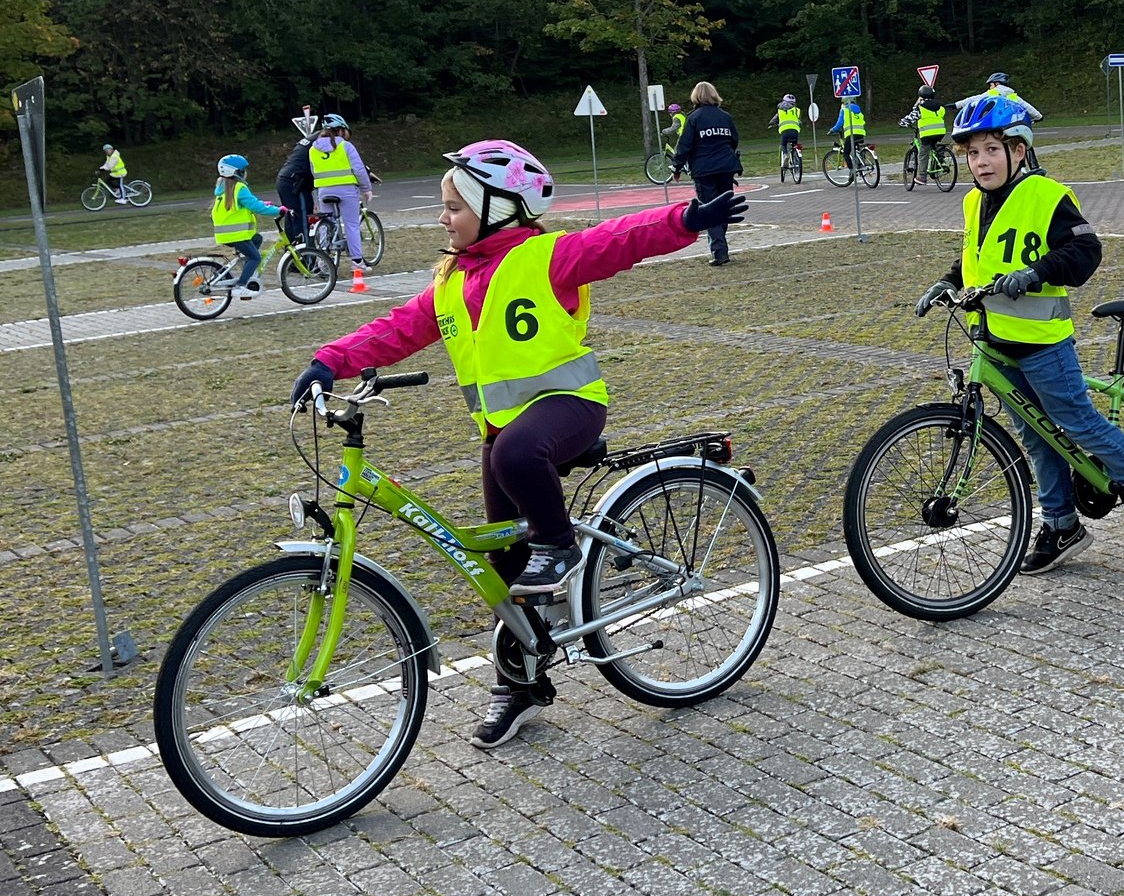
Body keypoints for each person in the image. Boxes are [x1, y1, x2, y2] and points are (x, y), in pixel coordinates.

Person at [288, 139, 748, 748]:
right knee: (502, 568)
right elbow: (397, 328)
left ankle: (559, 546)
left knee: (517, 467)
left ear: (499, 206)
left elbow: (620, 239)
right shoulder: (451, 283)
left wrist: (686, 218)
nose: (442, 217)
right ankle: (521, 682)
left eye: (454, 205)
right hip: (503, 434)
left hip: (569, 409)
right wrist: (329, 361)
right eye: (443, 205)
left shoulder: (545, 257)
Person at [913, 95, 1124, 574]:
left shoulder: (1047, 195)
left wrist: (1034, 274)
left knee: (1076, 422)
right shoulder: (974, 202)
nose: (981, 162)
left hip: (1041, 342)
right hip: (994, 340)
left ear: (1018, 150)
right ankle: (1061, 526)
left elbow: (1085, 251)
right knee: (1036, 437)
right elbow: (979, 257)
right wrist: (949, 282)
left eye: (991, 149)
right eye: (972, 154)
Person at [668, 82, 743, 266]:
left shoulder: (694, 118)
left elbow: (684, 146)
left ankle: (719, 252)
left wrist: (677, 168)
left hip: (704, 169)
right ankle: (721, 246)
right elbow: (734, 140)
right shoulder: (725, 116)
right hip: (726, 166)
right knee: (723, 206)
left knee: (709, 208)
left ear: (696, 97)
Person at [310, 115, 375, 281]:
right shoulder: (346, 146)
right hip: (347, 190)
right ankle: (357, 262)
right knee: (352, 224)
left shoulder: (313, 148)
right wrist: (366, 188)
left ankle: (323, 260)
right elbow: (359, 169)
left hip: (324, 191)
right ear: (340, 130)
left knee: (326, 224)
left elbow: (313, 171)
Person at [211, 155, 285, 299]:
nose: (245, 173)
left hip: (226, 234)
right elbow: (256, 207)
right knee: (255, 258)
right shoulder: (239, 188)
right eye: (243, 170)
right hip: (237, 235)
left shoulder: (224, 188)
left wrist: (264, 203)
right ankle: (240, 286)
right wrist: (278, 210)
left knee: (257, 239)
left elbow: (248, 203)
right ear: (236, 172)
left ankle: (243, 270)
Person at [898, 86, 947, 182]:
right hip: (941, 131)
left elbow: (911, 117)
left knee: (923, 154)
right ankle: (941, 161)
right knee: (934, 147)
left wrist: (902, 122)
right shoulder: (940, 107)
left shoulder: (921, 107)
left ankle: (922, 177)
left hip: (927, 133)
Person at [276, 125, 315, 243]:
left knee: (291, 217)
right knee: (302, 219)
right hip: (296, 182)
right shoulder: (325, 142)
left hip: (284, 179)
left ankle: (291, 255)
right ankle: (304, 257)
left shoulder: (311, 139)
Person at [826, 92, 866, 162]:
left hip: (851, 134)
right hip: (861, 134)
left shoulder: (844, 110)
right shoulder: (859, 111)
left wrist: (833, 130)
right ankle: (859, 164)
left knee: (846, 153)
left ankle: (851, 170)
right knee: (855, 149)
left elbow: (839, 123)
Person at [772, 94, 803, 171]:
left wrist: (771, 124)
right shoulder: (796, 110)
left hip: (784, 130)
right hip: (795, 130)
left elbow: (774, 120)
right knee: (795, 145)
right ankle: (796, 160)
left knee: (783, 144)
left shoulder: (780, 111)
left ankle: (785, 155)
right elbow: (799, 120)